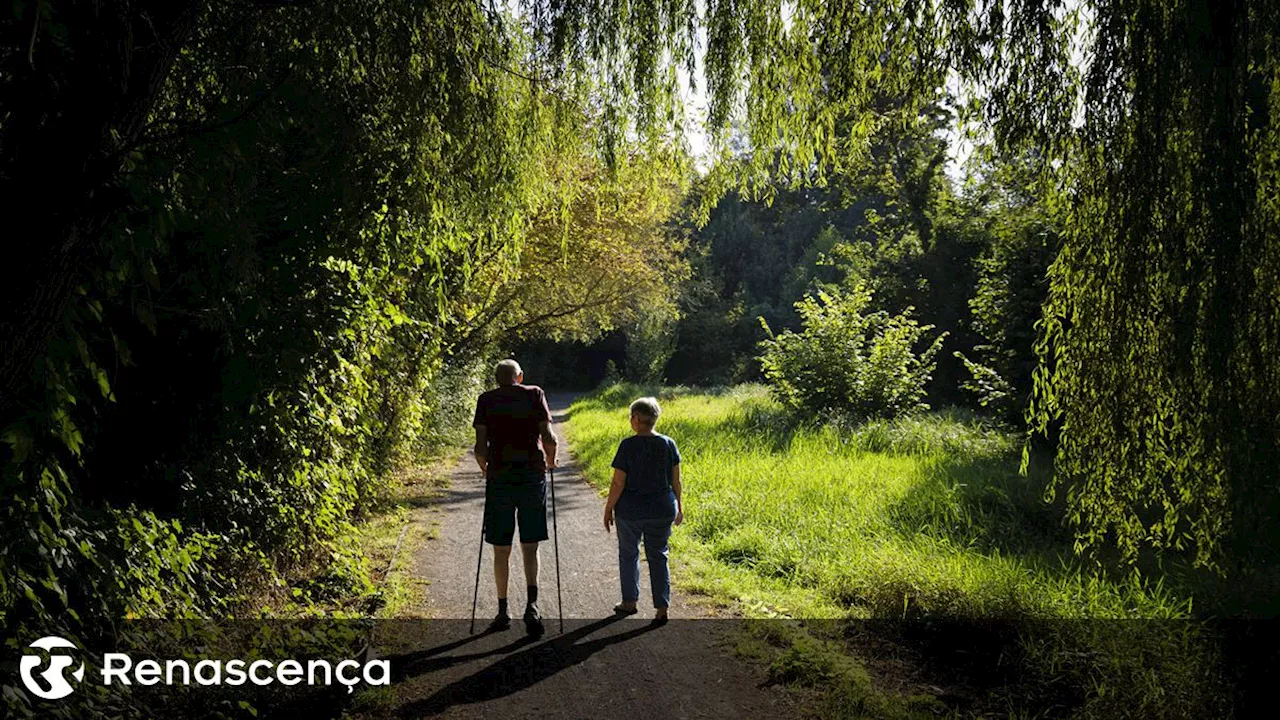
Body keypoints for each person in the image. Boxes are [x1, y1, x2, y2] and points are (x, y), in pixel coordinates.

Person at [473, 359, 558, 637]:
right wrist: (551, 460)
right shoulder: (535, 394)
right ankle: (532, 606)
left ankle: (502, 609)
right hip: (531, 475)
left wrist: (485, 467)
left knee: (501, 547)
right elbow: (549, 436)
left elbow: (480, 446)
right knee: (530, 544)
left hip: (500, 477)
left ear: (496, 378)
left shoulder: (486, 400)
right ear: (519, 377)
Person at [602, 396, 684, 623]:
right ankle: (662, 608)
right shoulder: (669, 444)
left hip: (630, 511)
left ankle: (629, 602)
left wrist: (608, 508)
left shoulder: (628, 446)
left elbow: (618, 483)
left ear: (636, 419)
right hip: (662, 508)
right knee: (658, 555)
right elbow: (676, 481)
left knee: (629, 554)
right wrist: (679, 506)